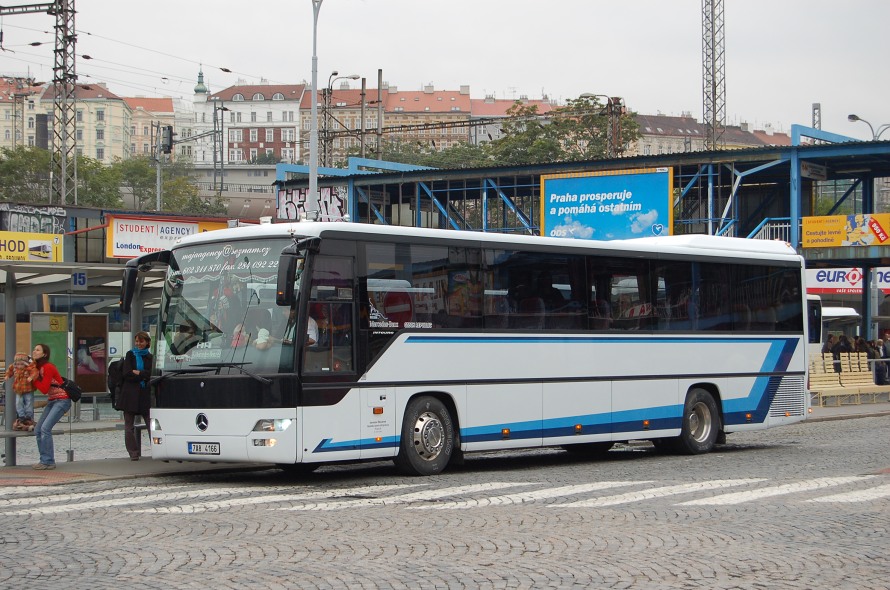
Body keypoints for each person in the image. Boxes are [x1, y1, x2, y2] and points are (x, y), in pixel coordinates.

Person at [28, 343, 68, 470]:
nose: (34, 351)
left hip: (62, 400)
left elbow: (44, 389)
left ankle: (49, 461)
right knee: (38, 430)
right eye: (34, 349)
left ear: (44, 354)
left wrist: (33, 379)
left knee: (45, 429)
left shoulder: (48, 367)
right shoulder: (39, 368)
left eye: (37, 350)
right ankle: (43, 460)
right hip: (53, 400)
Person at [117, 331, 153, 461]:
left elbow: (150, 374)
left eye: (141, 341)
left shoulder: (150, 357)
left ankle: (156, 449)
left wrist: (138, 373)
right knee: (128, 426)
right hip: (130, 395)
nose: (138, 344)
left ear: (147, 342)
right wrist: (142, 374)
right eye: (137, 341)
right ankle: (133, 452)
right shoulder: (130, 354)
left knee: (151, 424)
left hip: (144, 395)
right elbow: (127, 373)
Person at [5, 351, 38, 432]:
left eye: (21, 364)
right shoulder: (14, 367)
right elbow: (9, 370)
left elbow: (35, 372)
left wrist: (31, 377)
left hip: (28, 389)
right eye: (18, 364)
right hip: (18, 389)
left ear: (25, 363)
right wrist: (7, 376)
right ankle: (21, 416)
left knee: (29, 402)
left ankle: (29, 417)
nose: (19, 366)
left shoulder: (29, 368)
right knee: (18, 402)